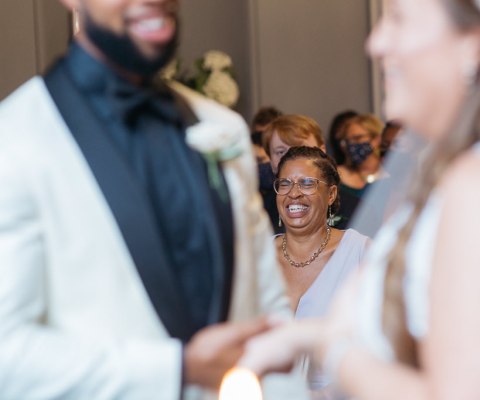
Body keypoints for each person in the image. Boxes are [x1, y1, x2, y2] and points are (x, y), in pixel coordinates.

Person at [238, 0, 480, 399]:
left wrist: (335, 352)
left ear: (472, 44)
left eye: (399, 20)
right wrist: (297, 338)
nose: (375, 43)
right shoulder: (460, 175)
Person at [0, 0, 307, 399]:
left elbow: (268, 313)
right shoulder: (15, 141)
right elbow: (9, 356)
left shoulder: (223, 129)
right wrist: (178, 370)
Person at [273, 146, 369, 398]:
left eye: (307, 183)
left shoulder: (361, 253)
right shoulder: (257, 255)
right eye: (284, 184)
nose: (293, 193)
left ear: (331, 194)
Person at [336, 114, 386, 200]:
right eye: (348, 141)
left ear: (376, 139)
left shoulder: (390, 170)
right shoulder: (337, 175)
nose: (352, 144)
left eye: (358, 138)